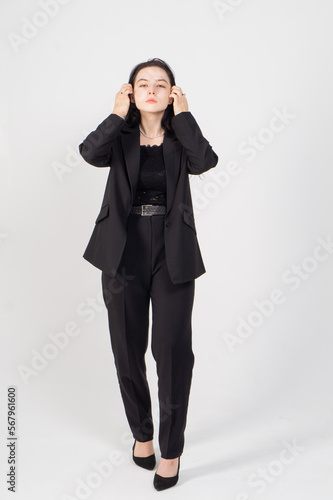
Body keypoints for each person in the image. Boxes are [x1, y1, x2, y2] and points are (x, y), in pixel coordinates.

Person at [78, 58, 218, 491]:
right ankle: (142, 433)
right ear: (131, 92)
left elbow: (205, 161)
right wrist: (117, 112)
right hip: (123, 249)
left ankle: (171, 450)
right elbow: (89, 153)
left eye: (162, 84)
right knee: (126, 347)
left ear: (173, 92)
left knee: (174, 352)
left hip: (173, 250)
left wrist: (187, 114)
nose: (152, 90)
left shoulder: (181, 136)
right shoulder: (118, 135)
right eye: (143, 84)